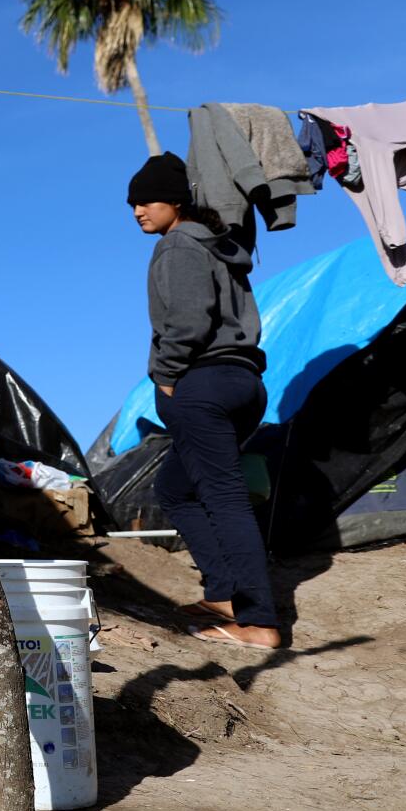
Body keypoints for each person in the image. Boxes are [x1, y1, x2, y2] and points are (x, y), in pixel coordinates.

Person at [129, 152, 282, 650]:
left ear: (176, 202)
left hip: (203, 381)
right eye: (132, 204)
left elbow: (188, 323)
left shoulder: (178, 246)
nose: (137, 211)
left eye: (146, 201)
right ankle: (222, 593)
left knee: (224, 499)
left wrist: (167, 374)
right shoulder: (222, 248)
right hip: (244, 382)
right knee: (175, 487)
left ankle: (258, 620)